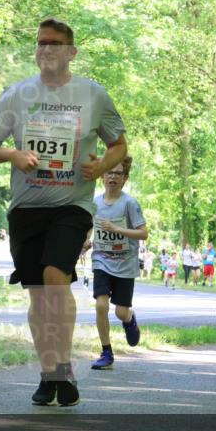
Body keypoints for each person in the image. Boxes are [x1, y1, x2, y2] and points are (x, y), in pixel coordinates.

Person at [0, 17, 128, 406]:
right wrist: (12, 153)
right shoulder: (17, 96)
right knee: (39, 297)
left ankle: (65, 367)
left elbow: (119, 145)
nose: (47, 50)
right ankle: (49, 371)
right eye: (42, 43)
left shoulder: (93, 95)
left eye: (56, 44)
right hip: (26, 208)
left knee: (55, 277)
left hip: (70, 205)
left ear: (71, 52)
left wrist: (103, 166)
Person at [85, 157, 148, 370]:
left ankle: (129, 319)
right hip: (102, 260)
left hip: (125, 264)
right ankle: (106, 351)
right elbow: (90, 229)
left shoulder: (129, 203)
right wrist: (84, 243)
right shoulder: (95, 203)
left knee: (120, 312)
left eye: (118, 173)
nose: (113, 176)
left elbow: (143, 233)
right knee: (101, 305)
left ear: (125, 178)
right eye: (109, 172)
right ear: (103, 176)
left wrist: (118, 230)